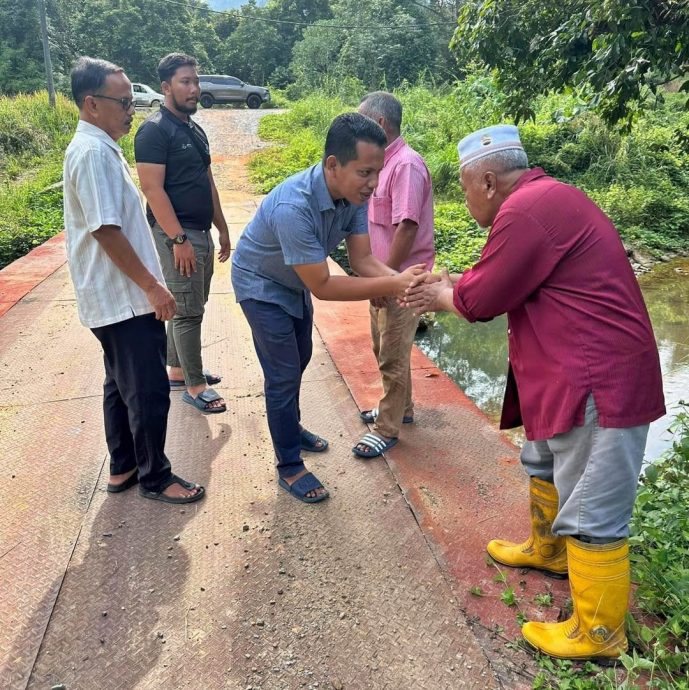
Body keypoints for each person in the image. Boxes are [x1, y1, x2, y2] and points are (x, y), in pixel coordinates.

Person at [402, 125, 664, 661]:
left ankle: (599, 633)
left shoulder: (526, 210)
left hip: (597, 379)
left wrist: (440, 294)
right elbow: (495, 277)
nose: (465, 198)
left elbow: (481, 300)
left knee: (593, 508)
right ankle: (549, 551)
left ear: (490, 181)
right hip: (572, 369)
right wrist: (454, 285)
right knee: (543, 459)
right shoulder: (543, 200)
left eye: (465, 188)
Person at [231, 113, 427, 504]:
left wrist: (402, 279)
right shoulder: (294, 205)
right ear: (333, 165)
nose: (373, 184)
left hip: (294, 282)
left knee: (300, 356)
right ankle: (289, 465)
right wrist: (393, 283)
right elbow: (322, 286)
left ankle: (290, 426)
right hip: (261, 284)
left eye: (377, 172)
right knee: (282, 373)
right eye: (365, 172)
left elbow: (363, 260)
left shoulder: (352, 195)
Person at [63, 57, 205, 504]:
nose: (131, 109)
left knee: (118, 386)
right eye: (123, 102)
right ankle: (155, 476)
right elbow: (106, 229)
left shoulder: (100, 147)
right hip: (123, 298)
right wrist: (151, 285)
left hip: (113, 297)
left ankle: (123, 467)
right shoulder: (91, 153)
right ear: (91, 104)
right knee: (147, 389)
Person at [135, 53, 230, 416]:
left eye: (196, 81)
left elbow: (207, 181)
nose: (194, 89)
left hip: (201, 230)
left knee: (190, 305)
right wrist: (179, 240)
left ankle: (179, 370)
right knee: (188, 312)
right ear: (165, 87)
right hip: (177, 234)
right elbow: (152, 189)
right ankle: (195, 385)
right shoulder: (154, 130)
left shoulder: (193, 129)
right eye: (185, 82)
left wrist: (221, 226)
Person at [354, 91, 434, 458]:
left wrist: (386, 280)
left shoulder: (406, 166)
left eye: (363, 120)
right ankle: (402, 410)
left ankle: (386, 428)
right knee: (383, 347)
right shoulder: (382, 164)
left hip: (403, 280)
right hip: (385, 278)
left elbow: (406, 227)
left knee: (392, 354)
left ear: (381, 124)